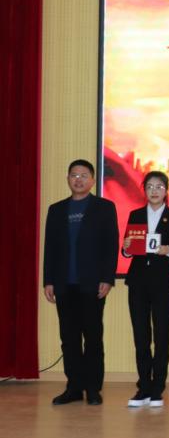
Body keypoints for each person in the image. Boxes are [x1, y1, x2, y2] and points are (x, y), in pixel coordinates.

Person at [44, 159, 119, 406]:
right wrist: (48, 280)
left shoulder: (104, 207)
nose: (78, 179)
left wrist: (107, 278)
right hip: (64, 284)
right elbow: (50, 248)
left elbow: (111, 246)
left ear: (93, 180)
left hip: (92, 284)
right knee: (69, 338)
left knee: (93, 337)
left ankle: (93, 388)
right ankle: (74, 387)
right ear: (68, 179)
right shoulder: (56, 210)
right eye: (74, 175)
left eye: (84, 175)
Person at [122, 171, 169, 408]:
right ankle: (143, 387)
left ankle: (158, 387)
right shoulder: (135, 215)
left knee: (161, 336)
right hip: (137, 282)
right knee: (141, 336)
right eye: (150, 186)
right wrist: (126, 248)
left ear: (166, 190)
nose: (154, 191)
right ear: (144, 190)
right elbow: (127, 249)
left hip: (162, 283)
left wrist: (168, 250)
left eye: (159, 186)